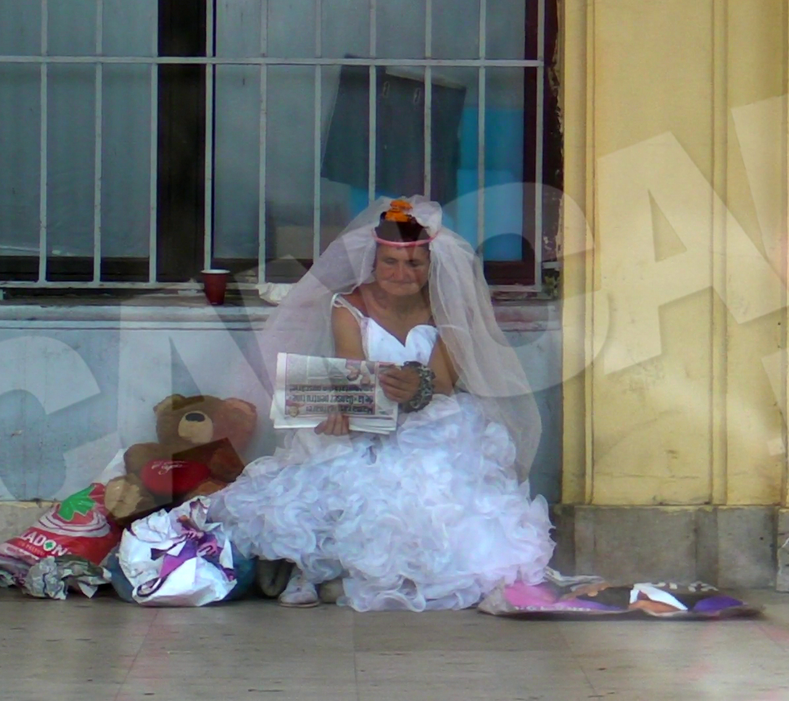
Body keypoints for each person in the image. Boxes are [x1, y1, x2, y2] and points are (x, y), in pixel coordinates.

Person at [209, 196, 553, 611]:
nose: (402, 274)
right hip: (369, 422)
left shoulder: (449, 307)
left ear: (432, 265)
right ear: (373, 261)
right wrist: (343, 409)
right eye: (390, 262)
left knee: (436, 490)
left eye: (414, 264)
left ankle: (388, 574)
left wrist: (418, 385)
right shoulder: (348, 306)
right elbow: (352, 371)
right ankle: (313, 568)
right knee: (338, 472)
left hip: (433, 421)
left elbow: (444, 380)